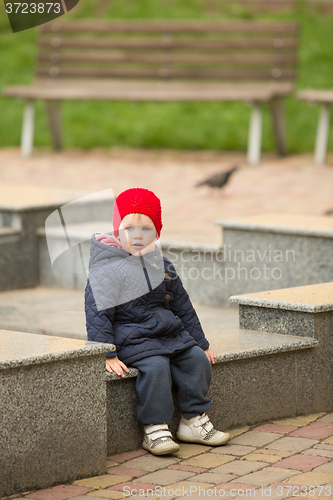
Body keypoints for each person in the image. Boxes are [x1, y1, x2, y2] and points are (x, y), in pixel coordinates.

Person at [85, 188, 230, 455]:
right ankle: (155, 427)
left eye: (146, 229)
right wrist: (105, 352)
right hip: (131, 337)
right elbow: (97, 313)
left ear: (157, 233)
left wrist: (200, 342)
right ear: (117, 231)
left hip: (167, 333)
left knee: (196, 360)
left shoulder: (162, 265)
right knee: (156, 366)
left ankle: (192, 420)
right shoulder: (106, 269)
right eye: (129, 228)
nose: (137, 235)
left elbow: (182, 306)